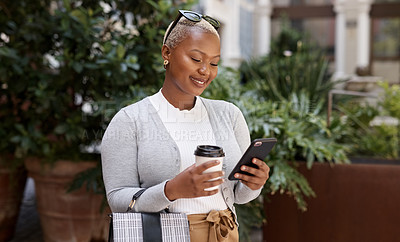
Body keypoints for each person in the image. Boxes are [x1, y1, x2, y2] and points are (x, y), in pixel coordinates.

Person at [101, 10, 270, 242]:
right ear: (166, 53)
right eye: (196, 59)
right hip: (164, 236)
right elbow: (117, 199)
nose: (205, 71)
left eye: (214, 63)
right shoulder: (130, 121)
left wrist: (254, 183)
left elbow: (239, 195)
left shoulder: (229, 114)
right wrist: (171, 190)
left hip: (224, 233)